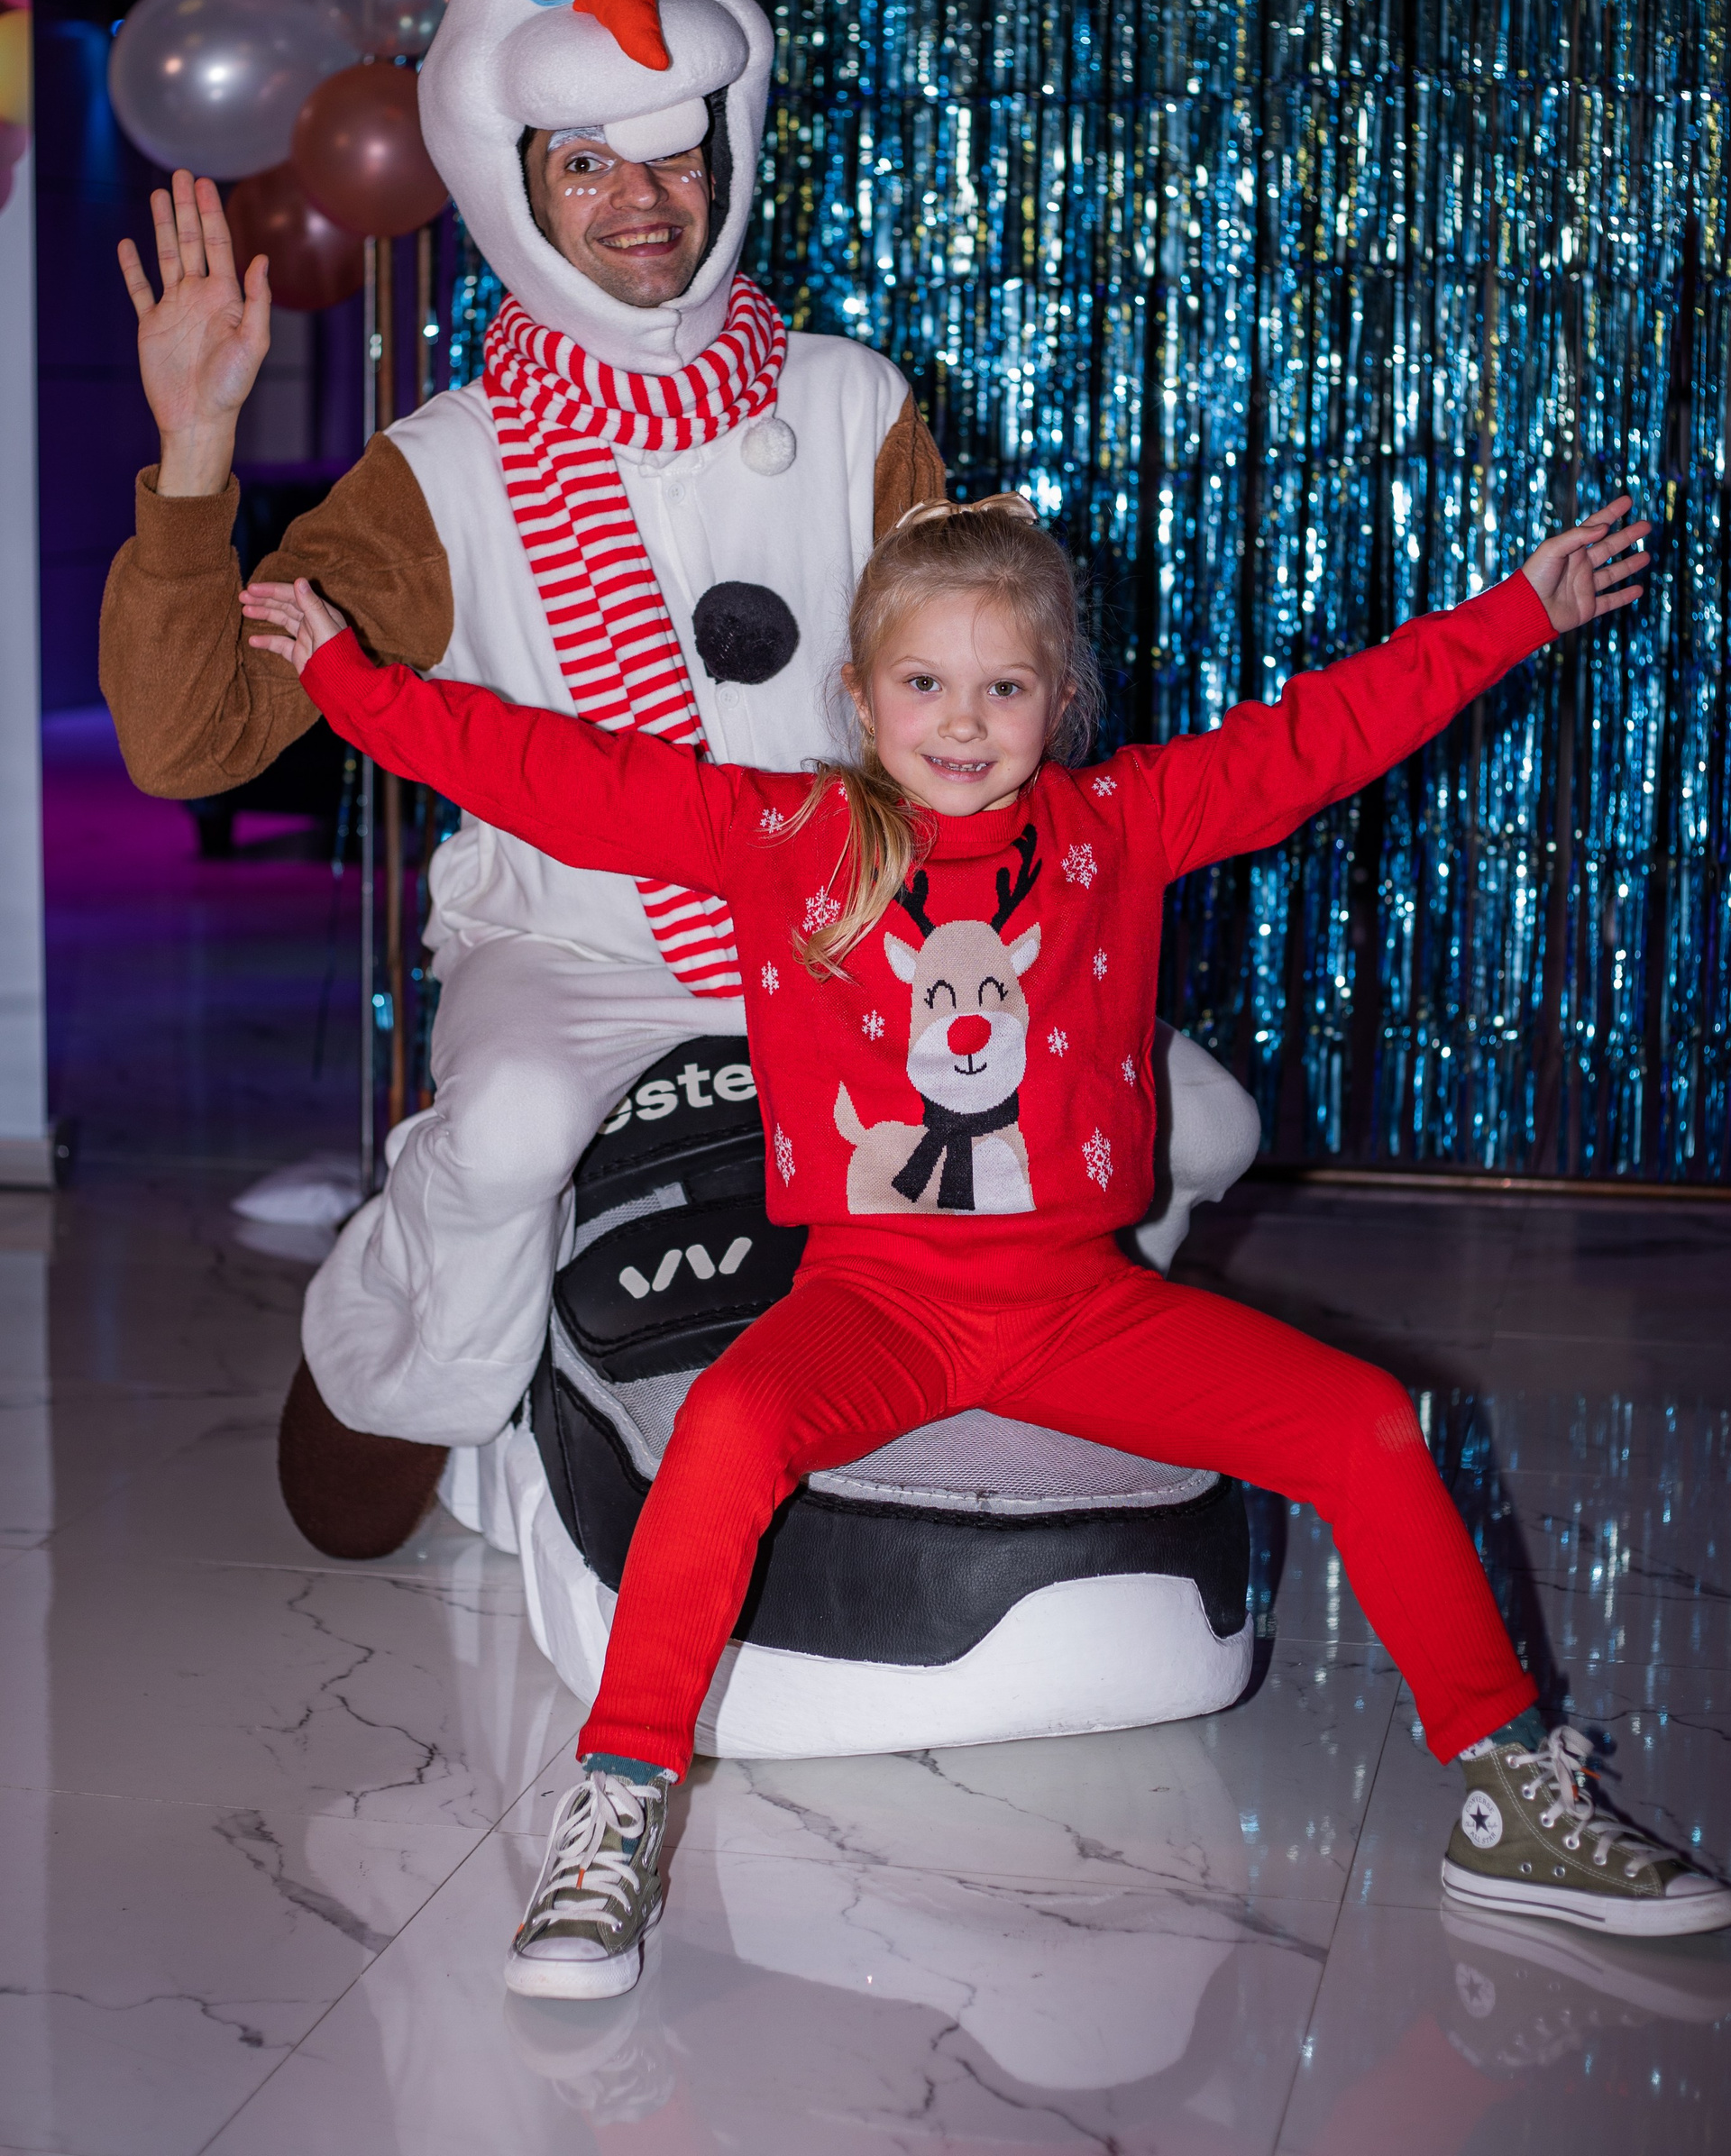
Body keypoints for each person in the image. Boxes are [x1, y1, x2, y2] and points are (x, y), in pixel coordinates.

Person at [243, 480, 1731, 2000]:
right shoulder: (792, 835)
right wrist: (347, 680)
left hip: (1081, 1308)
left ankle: (1509, 1797)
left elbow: (1321, 735)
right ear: (859, 693)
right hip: (874, 1304)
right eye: (925, 683)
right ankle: (618, 1802)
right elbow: (553, 774)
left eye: (1005, 687)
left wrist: (1519, 614)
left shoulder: (1120, 825)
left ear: (1059, 697)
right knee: (731, 1427)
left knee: (1364, 1424)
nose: (963, 722)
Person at [101, 0, 1263, 1567]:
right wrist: (196, 456)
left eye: (672, 152)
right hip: (574, 946)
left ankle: (1035, 1351)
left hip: (854, 917)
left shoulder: (854, 400)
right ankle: (411, 1349)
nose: (642, 199)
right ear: (511, 181)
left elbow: (965, 704)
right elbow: (189, 742)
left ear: (729, 150)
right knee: (509, 1137)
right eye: (586, 161)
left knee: (1210, 1123)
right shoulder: (440, 472)